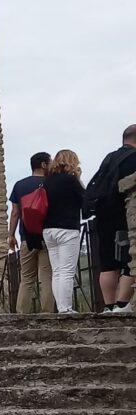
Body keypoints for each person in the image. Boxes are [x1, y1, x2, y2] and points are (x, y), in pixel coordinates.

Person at [86, 124, 136, 314]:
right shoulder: (133, 158)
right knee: (130, 259)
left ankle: (108, 307)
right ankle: (123, 305)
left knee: (108, 263)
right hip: (123, 214)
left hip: (103, 214)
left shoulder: (110, 158)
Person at [8, 152, 53, 313]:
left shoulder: (20, 185)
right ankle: (47, 312)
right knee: (46, 276)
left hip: (27, 236)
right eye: (50, 162)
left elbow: (15, 213)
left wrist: (11, 235)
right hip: (48, 236)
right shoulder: (51, 183)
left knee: (27, 278)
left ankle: (22, 314)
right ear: (43, 165)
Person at [42, 150, 86, 314]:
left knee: (58, 271)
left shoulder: (47, 182)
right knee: (67, 270)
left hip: (48, 230)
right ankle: (65, 308)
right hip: (67, 228)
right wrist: (79, 179)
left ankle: (61, 307)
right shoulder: (71, 180)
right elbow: (85, 199)